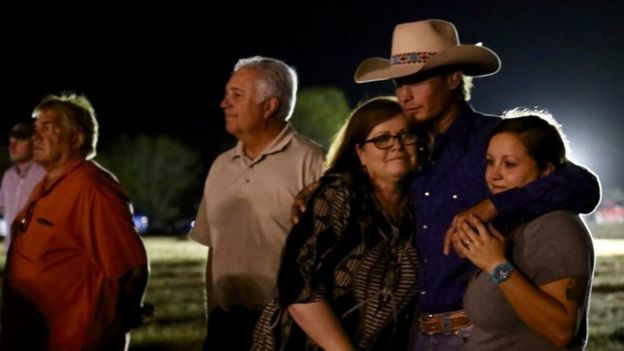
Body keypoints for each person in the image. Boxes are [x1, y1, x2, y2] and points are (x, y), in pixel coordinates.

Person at [351, 19, 600, 350]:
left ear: (453, 78)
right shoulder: (404, 150)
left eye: (417, 80)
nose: (404, 95)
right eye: (399, 83)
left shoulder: (496, 140)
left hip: (478, 332)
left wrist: (493, 204)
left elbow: (582, 185)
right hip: (413, 333)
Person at [253, 96, 422, 351]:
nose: (396, 145)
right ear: (360, 152)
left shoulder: (420, 205)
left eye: (406, 135)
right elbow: (296, 285)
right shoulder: (339, 195)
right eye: (382, 139)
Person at [189, 56, 325, 350]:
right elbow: (215, 249)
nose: (224, 104)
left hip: (288, 327)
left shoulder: (314, 163)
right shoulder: (221, 166)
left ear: (270, 105)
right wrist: (214, 317)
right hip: (227, 327)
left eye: (236, 95)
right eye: (226, 95)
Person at [1, 93, 149, 351]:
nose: (36, 136)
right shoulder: (47, 184)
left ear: (77, 138)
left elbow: (134, 268)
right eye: (35, 128)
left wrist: (118, 322)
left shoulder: (91, 188)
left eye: (48, 127)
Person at [455, 113, 594, 350]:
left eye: (509, 164)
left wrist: (496, 265)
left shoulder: (556, 227)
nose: (494, 174)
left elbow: (561, 331)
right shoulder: (517, 224)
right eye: (490, 161)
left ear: (546, 171)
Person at [0, 121, 45, 251]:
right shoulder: (9, 176)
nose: (12, 146)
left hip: (37, 253)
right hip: (12, 252)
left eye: (20, 140)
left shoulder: (45, 175)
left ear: (35, 142)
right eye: (11, 141)